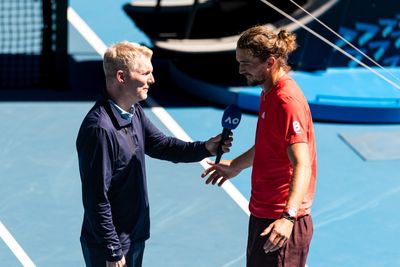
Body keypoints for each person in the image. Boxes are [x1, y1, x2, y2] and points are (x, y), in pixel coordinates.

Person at [76, 41, 232, 267]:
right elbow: (96, 197)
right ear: (121, 77)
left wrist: (205, 147)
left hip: (133, 235)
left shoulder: (133, 111)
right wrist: (112, 249)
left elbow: (162, 145)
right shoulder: (100, 130)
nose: (152, 80)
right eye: (145, 73)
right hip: (111, 245)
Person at [201, 25, 317, 267]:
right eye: (239, 62)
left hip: (280, 221)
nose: (240, 69)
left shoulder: (287, 101)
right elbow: (269, 145)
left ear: (270, 62)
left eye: (246, 63)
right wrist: (235, 166)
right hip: (263, 213)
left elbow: (302, 164)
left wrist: (288, 217)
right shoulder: (269, 92)